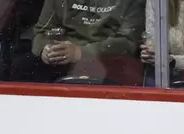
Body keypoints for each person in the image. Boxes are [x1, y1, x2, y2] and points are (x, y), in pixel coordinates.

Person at [10, 0, 144, 83]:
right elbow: (41, 30)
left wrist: (81, 52)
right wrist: (45, 49)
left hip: (108, 59)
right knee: (21, 67)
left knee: (131, 74)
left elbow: (128, 41)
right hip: (63, 57)